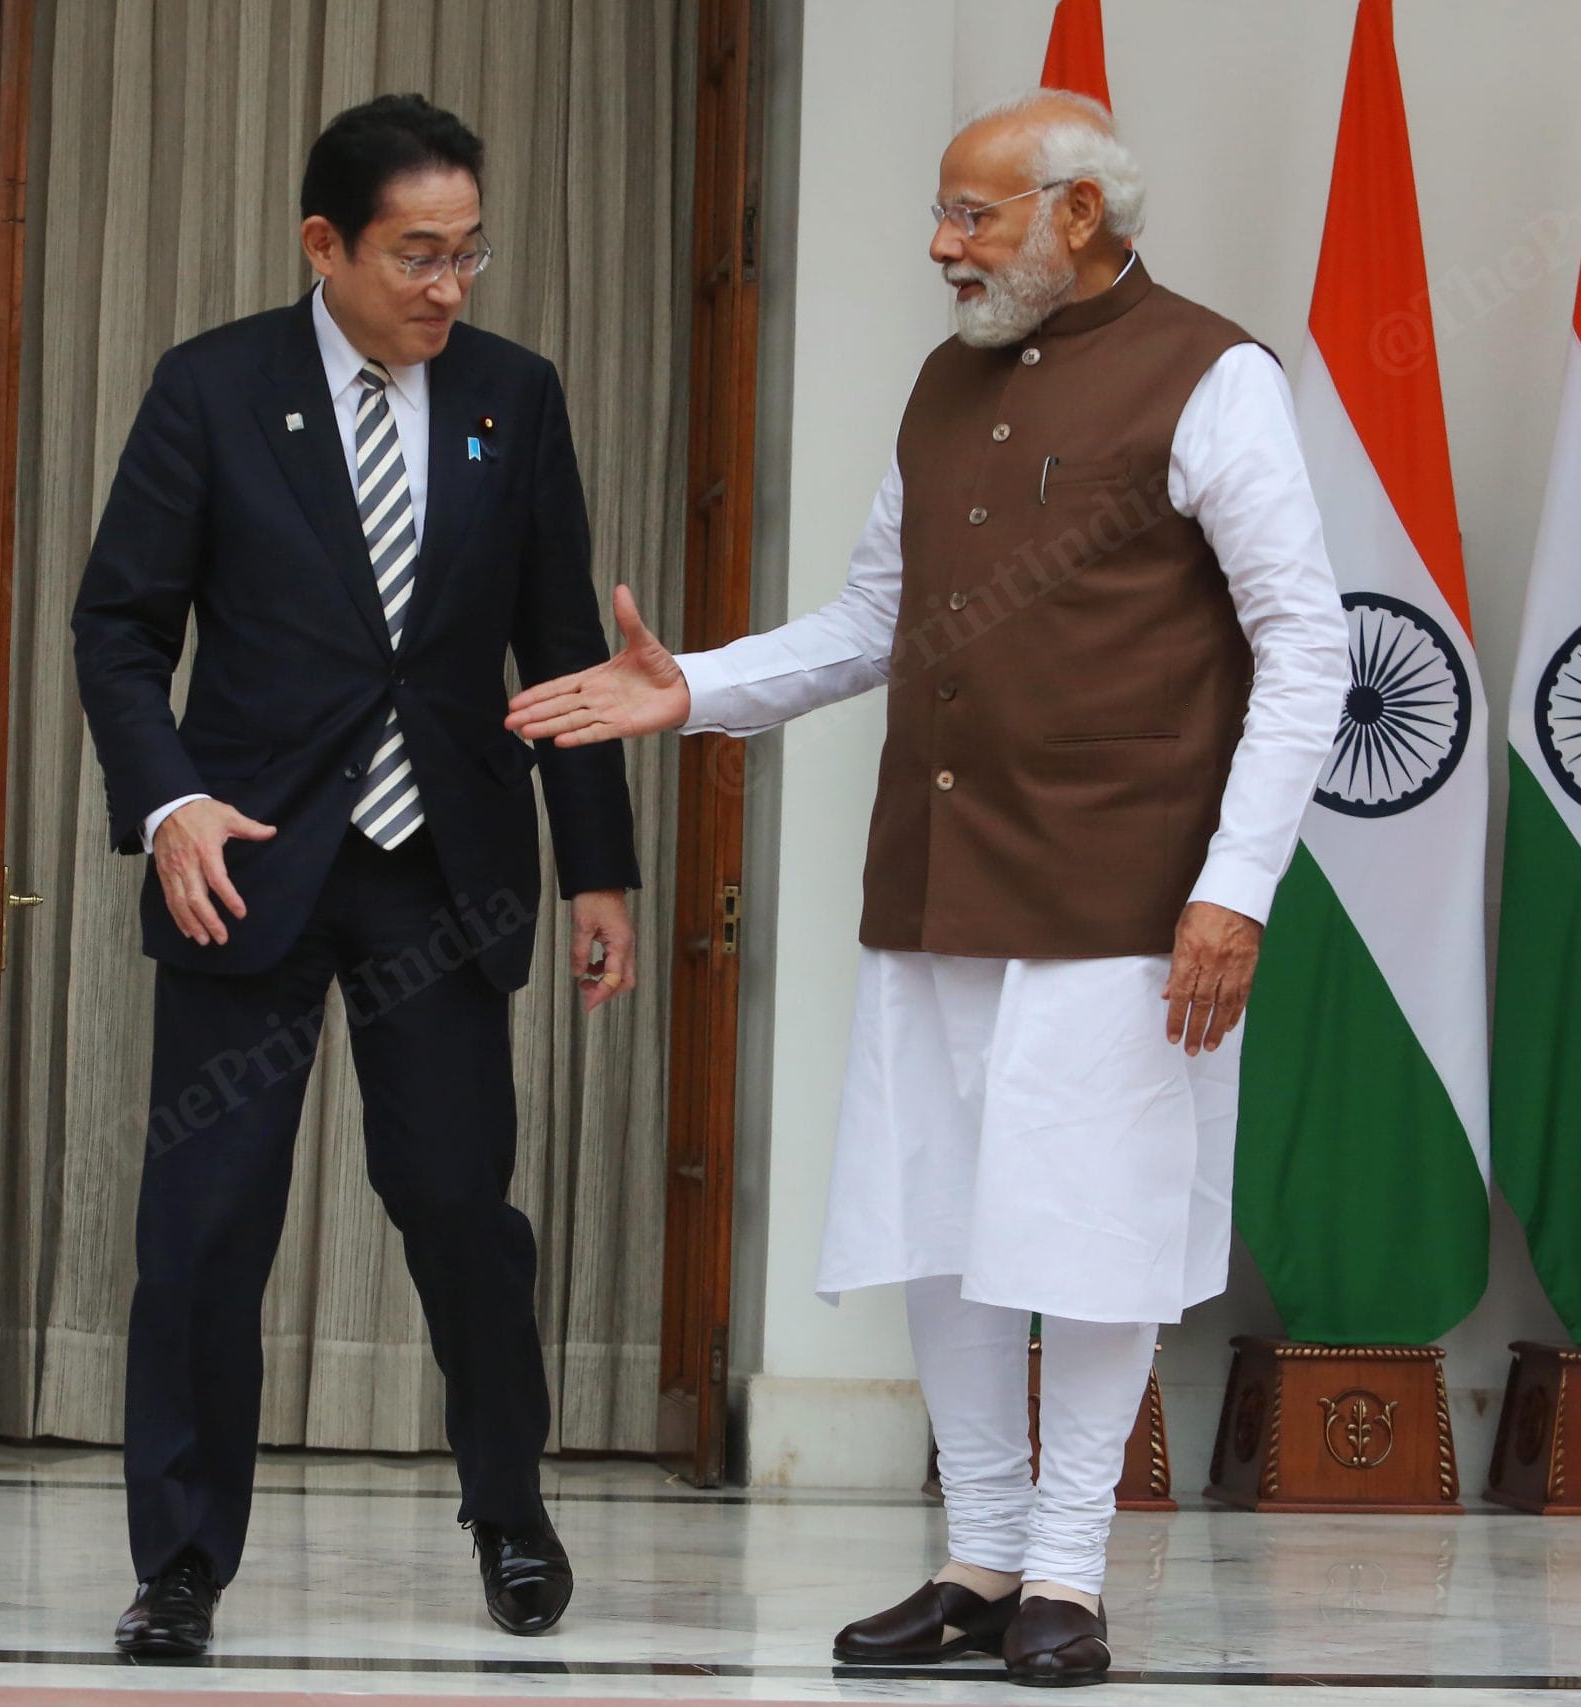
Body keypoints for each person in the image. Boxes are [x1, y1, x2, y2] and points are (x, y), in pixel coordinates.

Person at [507, 90, 1345, 1686]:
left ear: (1080, 218)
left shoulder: (1215, 375)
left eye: (975, 214)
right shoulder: (943, 384)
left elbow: (1310, 642)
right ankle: (980, 1557)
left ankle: (1072, 1580)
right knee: (947, 1220)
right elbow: (871, 622)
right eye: (946, 215)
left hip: (1127, 892)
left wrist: (1234, 891)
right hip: (941, 872)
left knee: (1090, 1231)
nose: (944, 245)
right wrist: (689, 687)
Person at [73, 92, 641, 1656]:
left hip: (438, 868)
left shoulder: (512, 399)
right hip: (244, 866)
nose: (449, 285)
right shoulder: (214, 390)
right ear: (325, 244)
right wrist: (170, 799)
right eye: (416, 255)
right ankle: (181, 1564)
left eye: (469, 252)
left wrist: (601, 868)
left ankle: (509, 1514)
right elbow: (120, 627)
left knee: (461, 1208)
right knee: (207, 1222)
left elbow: (560, 651)